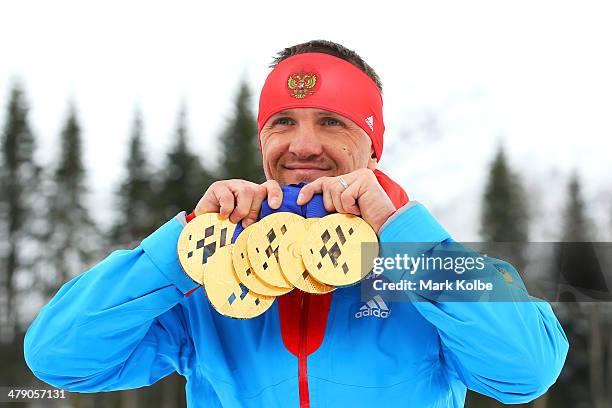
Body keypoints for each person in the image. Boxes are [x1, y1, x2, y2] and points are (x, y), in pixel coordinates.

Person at [23, 40, 569, 407]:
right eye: (283, 122)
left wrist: (402, 239)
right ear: (263, 140)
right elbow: (60, 359)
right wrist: (185, 244)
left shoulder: (424, 267)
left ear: (372, 145)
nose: (303, 146)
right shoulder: (211, 276)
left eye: (331, 122)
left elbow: (527, 370)